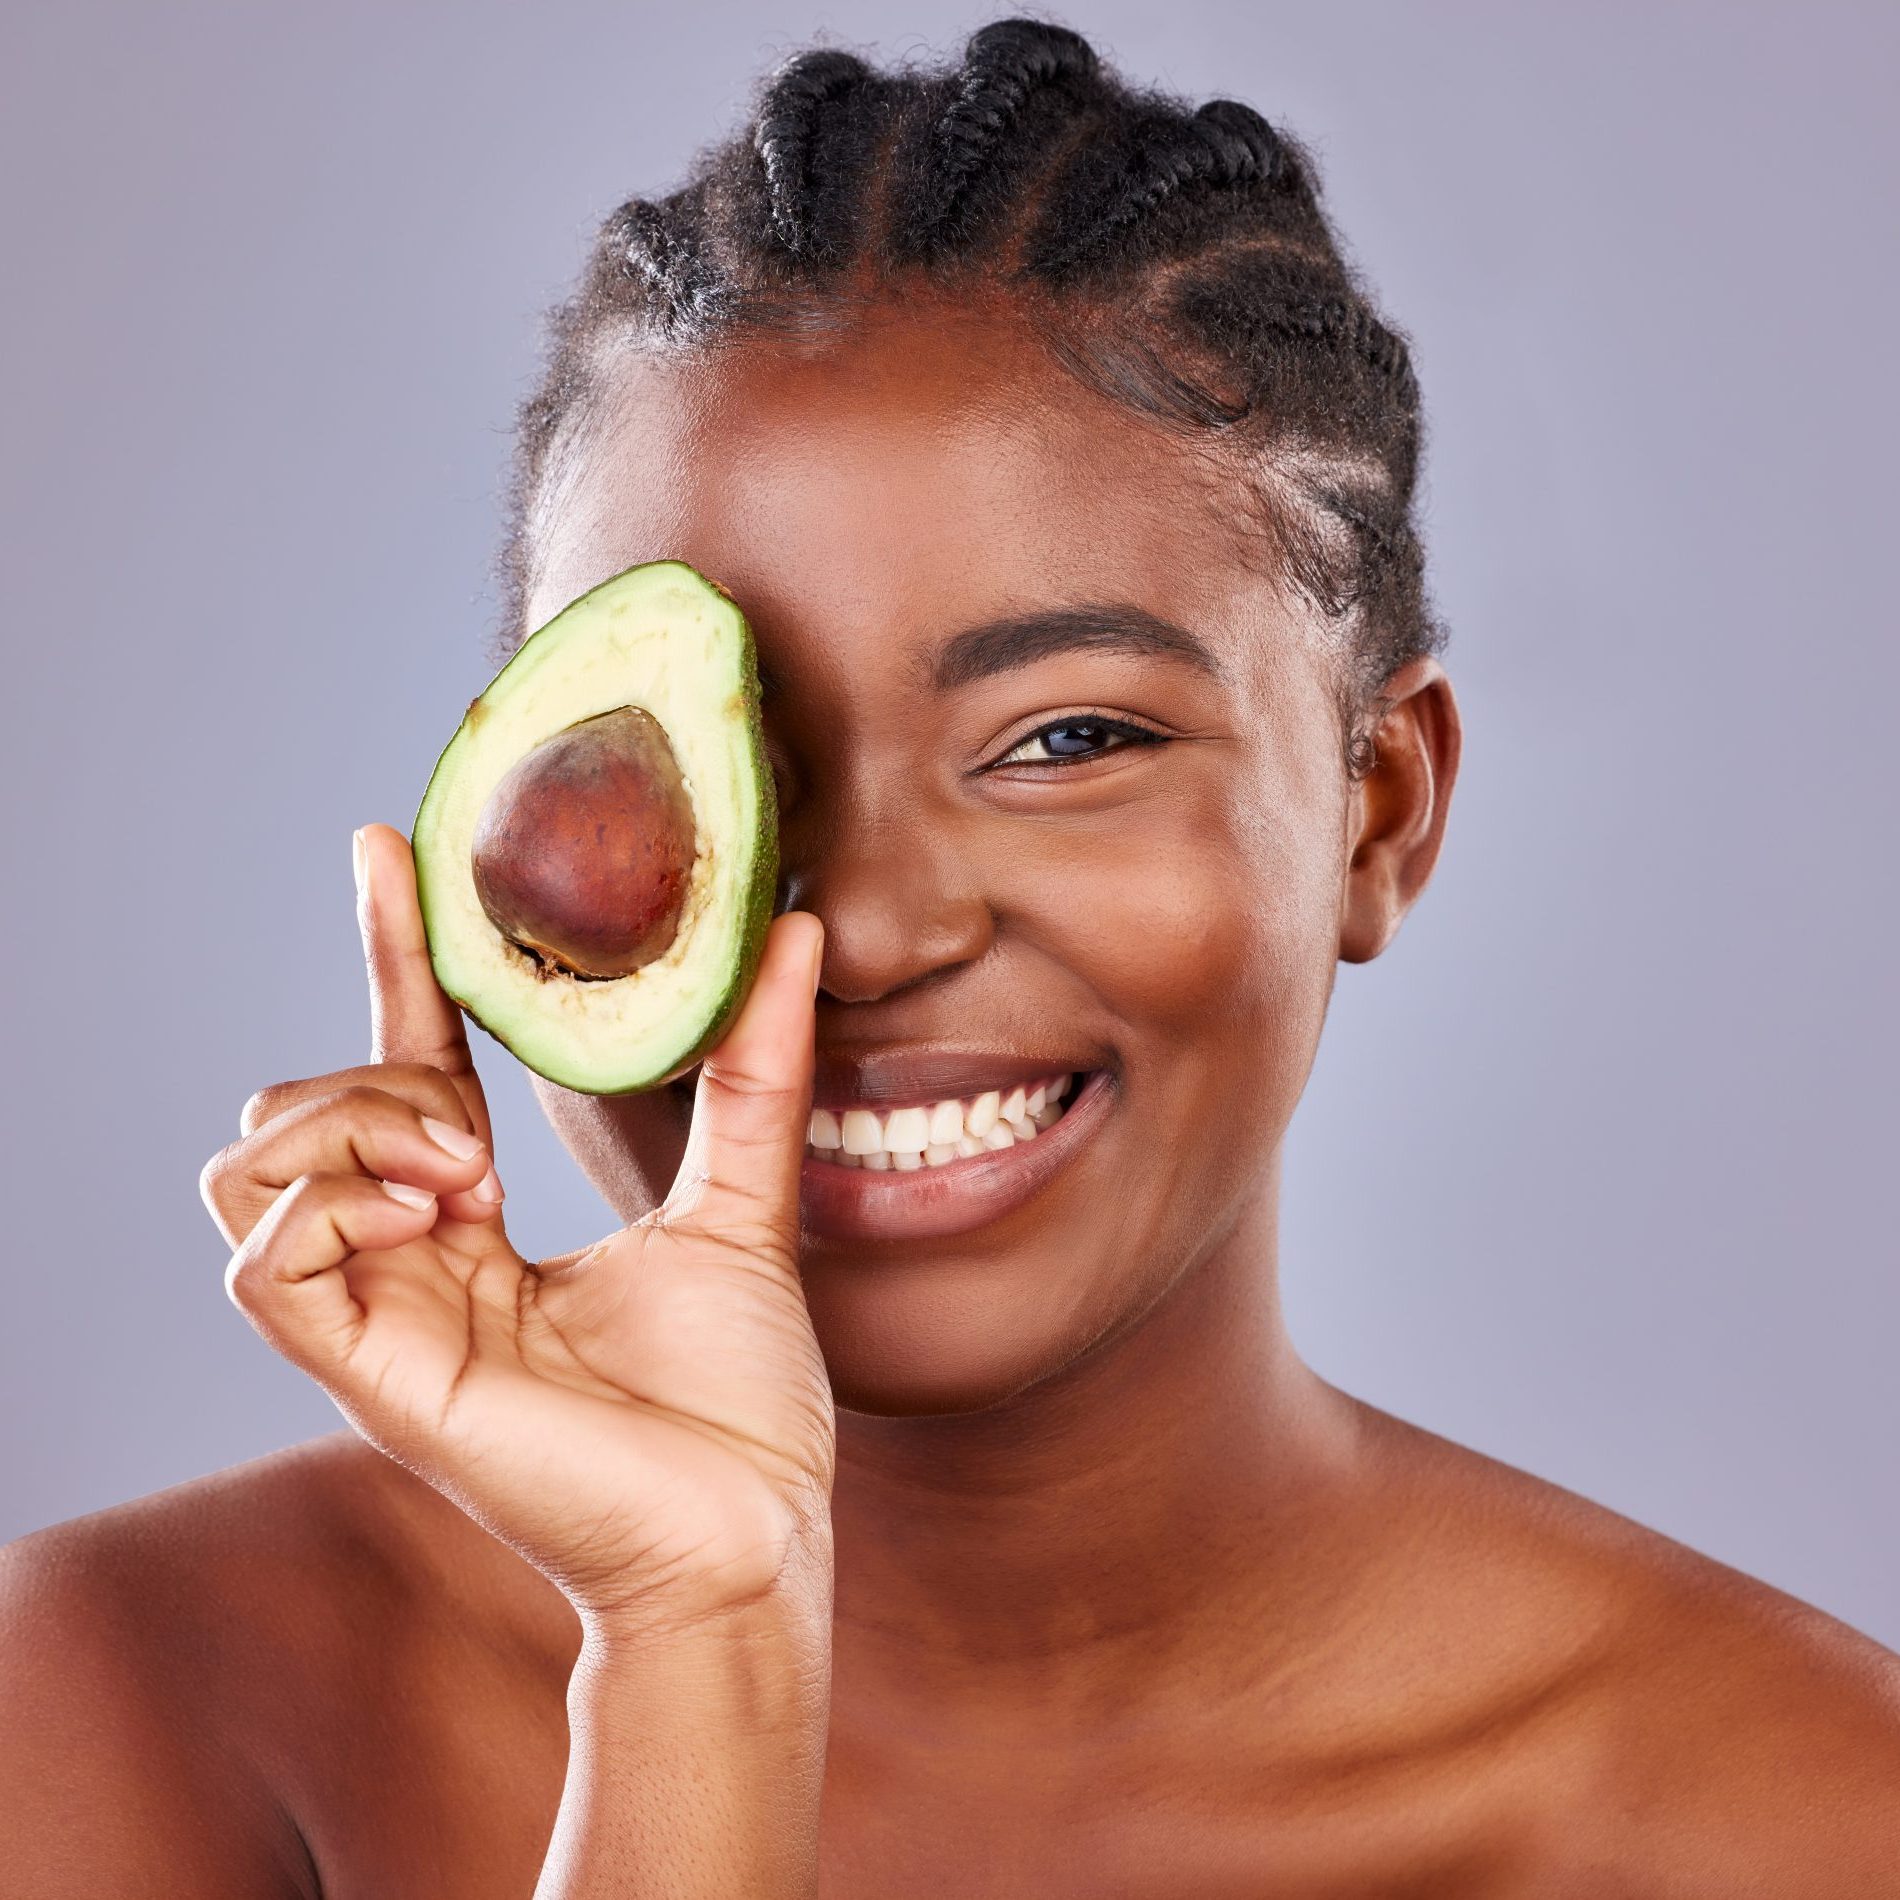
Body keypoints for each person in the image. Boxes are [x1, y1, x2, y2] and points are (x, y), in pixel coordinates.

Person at [4, 20, 1897, 1896]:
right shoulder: (123, 1694)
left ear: (1378, 808)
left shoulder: (1808, 1818)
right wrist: (695, 1644)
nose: (879, 930)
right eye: (707, 771)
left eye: (1071, 740)